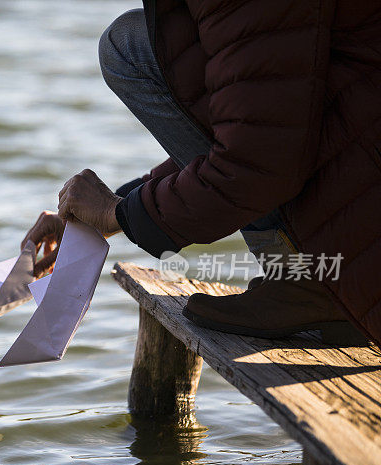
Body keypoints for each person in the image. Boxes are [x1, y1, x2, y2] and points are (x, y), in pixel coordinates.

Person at [23, 1, 381, 346]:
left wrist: (119, 212)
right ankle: (312, 277)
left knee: (127, 46)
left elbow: (256, 162)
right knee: (164, 40)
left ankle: (308, 279)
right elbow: (264, 124)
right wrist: (112, 210)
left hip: (355, 266)